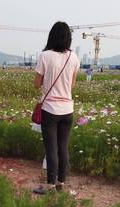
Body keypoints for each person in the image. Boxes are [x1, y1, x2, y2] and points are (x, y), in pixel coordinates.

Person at [33, 21, 80, 194]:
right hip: (68, 109)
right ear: (68, 37)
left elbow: (37, 84)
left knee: (51, 147)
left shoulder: (45, 56)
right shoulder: (74, 57)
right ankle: (61, 184)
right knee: (63, 146)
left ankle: (50, 186)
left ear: (51, 36)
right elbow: (72, 85)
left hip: (50, 109)